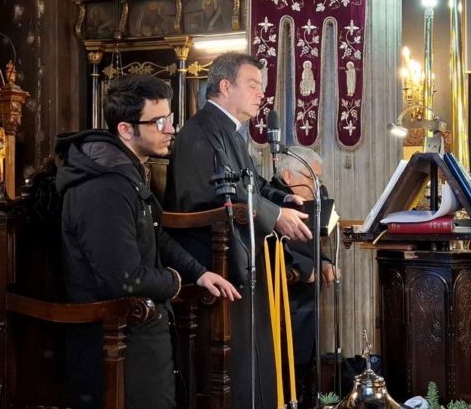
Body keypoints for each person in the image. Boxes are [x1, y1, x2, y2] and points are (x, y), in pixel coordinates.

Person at [55, 74, 240, 409]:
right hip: (117, 340)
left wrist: (199, 273)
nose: (171, 129)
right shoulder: (104, 188)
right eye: (158, 122)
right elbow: (123, 279)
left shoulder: (125, 172)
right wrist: (174, 281)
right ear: (126, 129)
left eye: (170, 118)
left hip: (140, 329)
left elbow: (154, 233)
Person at [164, 52, 312, 408]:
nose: (261, 94)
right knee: (236, 373)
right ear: (225, 86)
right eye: (253, 85)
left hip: (241, 259)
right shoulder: (198, 134)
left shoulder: (228, 131)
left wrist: (283, 199)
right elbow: (209, 198)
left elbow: (250, 183)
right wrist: (274, 215)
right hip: (215, 265)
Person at [269, 146, 337, 408]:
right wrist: (307, 269)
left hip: (307, 306)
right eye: (312, 178)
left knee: (307, 374)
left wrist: (325, 262)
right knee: (289, 380)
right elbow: (274, 245)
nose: (317, 186)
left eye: (318, 179)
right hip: (285, 306)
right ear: (288, 176)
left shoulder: (304, 203)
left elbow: (311, 243)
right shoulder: (274, 201)